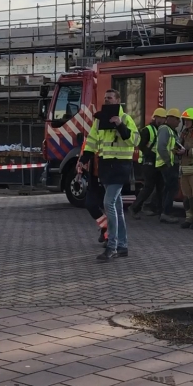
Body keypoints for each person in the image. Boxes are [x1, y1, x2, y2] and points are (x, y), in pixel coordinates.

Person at [79, 89, 140, 261]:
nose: (107, 101)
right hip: (105, 166)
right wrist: (84, 159)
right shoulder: (99, 120)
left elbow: (135, 141)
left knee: (109, 203)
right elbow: (91, 141)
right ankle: (122, 246)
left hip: (120, 167)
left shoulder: (126, 119)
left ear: (118, 100)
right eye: (105, 98)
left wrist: (120, 124)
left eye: (110, 98)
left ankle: (112, 246)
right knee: (118, 208)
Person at [130, 108, 167, 218]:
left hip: (157, 163)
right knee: (149, 186)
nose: (161, 120)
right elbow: (141, 146)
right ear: (155, 118)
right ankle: (134, 208)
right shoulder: (147, 130)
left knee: (160, 186)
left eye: (163, 118)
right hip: (148, 162)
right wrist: (152, 155)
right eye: (160, 118)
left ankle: (159, 210)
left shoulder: (161, 130)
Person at [156, 108, 183, 224]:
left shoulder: (171, 131)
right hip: (167, 165)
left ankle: (165, 212)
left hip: (170, 164)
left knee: (169, 188)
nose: (179, 122)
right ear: (171, 119)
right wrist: (168, 162)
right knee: (171, 188)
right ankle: (165, 213)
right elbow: (161, 147)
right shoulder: (165, 129)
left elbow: (168, 146)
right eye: (177, 119)